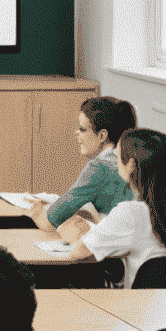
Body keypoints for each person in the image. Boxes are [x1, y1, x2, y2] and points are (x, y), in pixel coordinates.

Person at [71, 126, 166, 286]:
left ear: (131, 165)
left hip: (140, 308)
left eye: (117, 155)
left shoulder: (131, 213)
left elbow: (78, 255)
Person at [27, 96, 137, 241]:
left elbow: (49, 222)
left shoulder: (99, 166)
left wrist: (37, 213)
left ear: (102, 135)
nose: (76, 133)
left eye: (82, 129)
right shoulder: (134, 159)